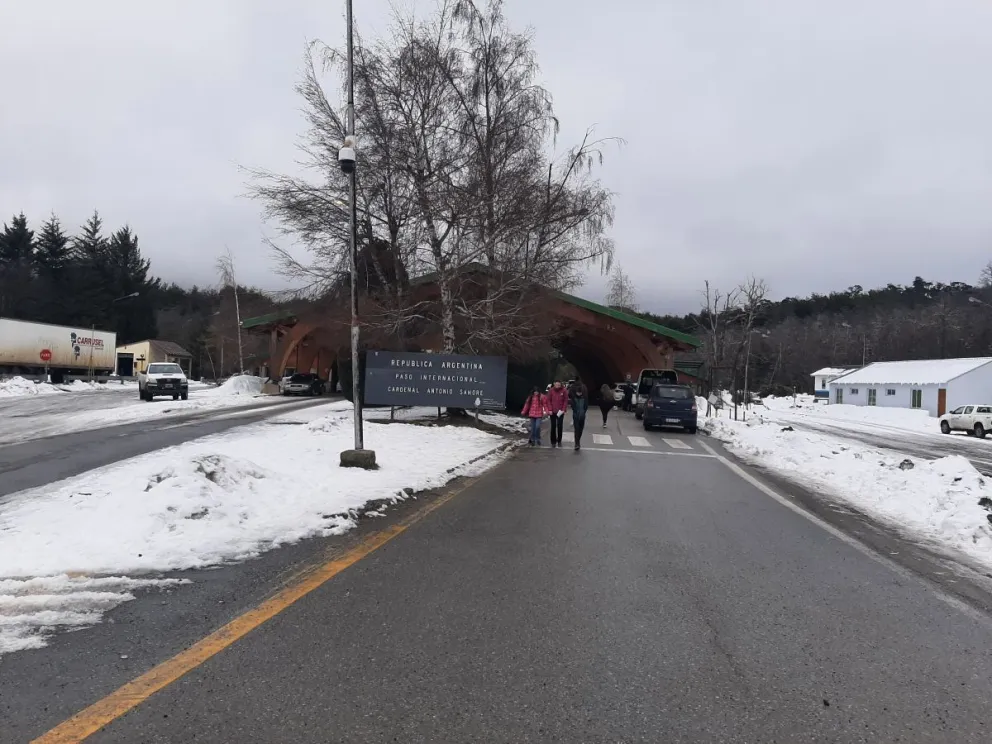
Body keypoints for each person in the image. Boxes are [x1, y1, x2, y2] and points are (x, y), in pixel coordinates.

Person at [546, 379, 569, 448]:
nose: (557, 386)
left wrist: (563, 409)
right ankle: (553, 441)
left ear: (560, 385)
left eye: (559, 385)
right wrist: (550, 409)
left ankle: (559, 440)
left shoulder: (564, 390)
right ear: (554, 384)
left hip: (560, 411)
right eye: (556, 384)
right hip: (552, 411)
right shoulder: (551, 390)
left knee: (559, 425)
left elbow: (565, 400)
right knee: (553, 426)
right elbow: (548, 400)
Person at [568, 377, 589, 450]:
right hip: (577, 415)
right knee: (577, 429)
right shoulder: (576, 398)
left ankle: (577, 441)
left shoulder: (582, 397)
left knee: (580, 429)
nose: (579, 394)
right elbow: (586, 406)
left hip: (581, 414)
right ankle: (577, 443)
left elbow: (586, 405)